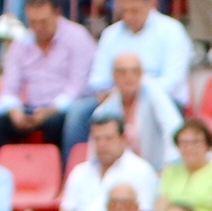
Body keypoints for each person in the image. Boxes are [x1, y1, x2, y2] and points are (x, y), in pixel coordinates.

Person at [64, 0, 192, 160]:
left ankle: (157, 168)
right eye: (124, 11)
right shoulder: (111, 34)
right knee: (79, 112)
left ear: (150, 4)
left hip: (161, 98)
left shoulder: (172, 30)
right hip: (117, 97)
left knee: (148, 110)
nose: (129, 16)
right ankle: (77, 169)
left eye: (134, 11)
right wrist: (119, 91)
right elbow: (98, 79)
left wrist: (139, 90)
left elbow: (173, 79)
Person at [0, 0, 95, 158]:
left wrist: (49, 111)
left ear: (57, 14)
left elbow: (76, 89)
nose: (38, 27)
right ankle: (5, 168)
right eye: (33, 22)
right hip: (32, 110)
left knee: (57, 123)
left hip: (65, 109)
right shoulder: (22, 43)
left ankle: (61, 171)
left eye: (43, 22)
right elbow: (10, 89)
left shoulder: (78, 38)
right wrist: (15, 111)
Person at [55, 115, 157, 211]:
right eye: (97, 139)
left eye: (109, 138)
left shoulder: (141, 171)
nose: (102, 144)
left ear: (123, 139)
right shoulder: (80, 172)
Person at [93, 54, 184, 176]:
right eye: (122, 72)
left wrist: (168, 169)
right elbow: (96, 142)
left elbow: (174, 128)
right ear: (114, 76)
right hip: (122, 177)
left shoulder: (154, 93)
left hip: (158, 170)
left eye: (135, 72)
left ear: (142, 74)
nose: (129, 77)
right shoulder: (106, 108)